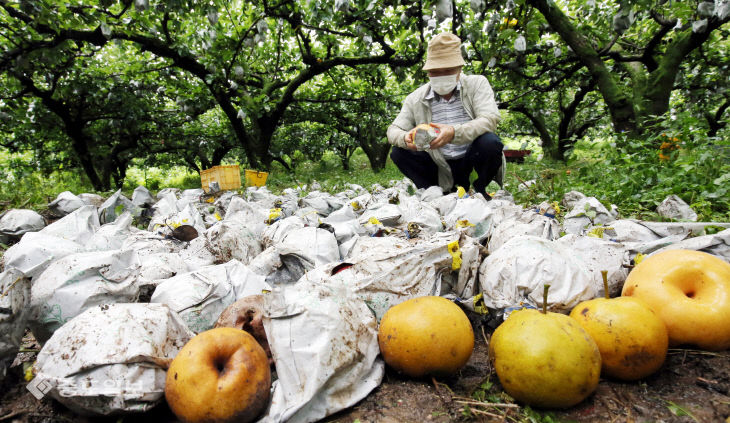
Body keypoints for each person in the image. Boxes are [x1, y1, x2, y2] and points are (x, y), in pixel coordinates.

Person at [386, 32, 504, 199]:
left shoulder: (477, 84)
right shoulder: (416, 98)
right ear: (427, 72)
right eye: (435, 72)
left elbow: (489, 119)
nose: (441, 75)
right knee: (398, 152)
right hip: (438, 163)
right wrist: (406, 138)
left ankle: (480, 189)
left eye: (447, 70)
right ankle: (433, 191)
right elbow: (393, 129)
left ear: (459, 69)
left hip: (470, 159)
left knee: (490, 143)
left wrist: (453, 133)